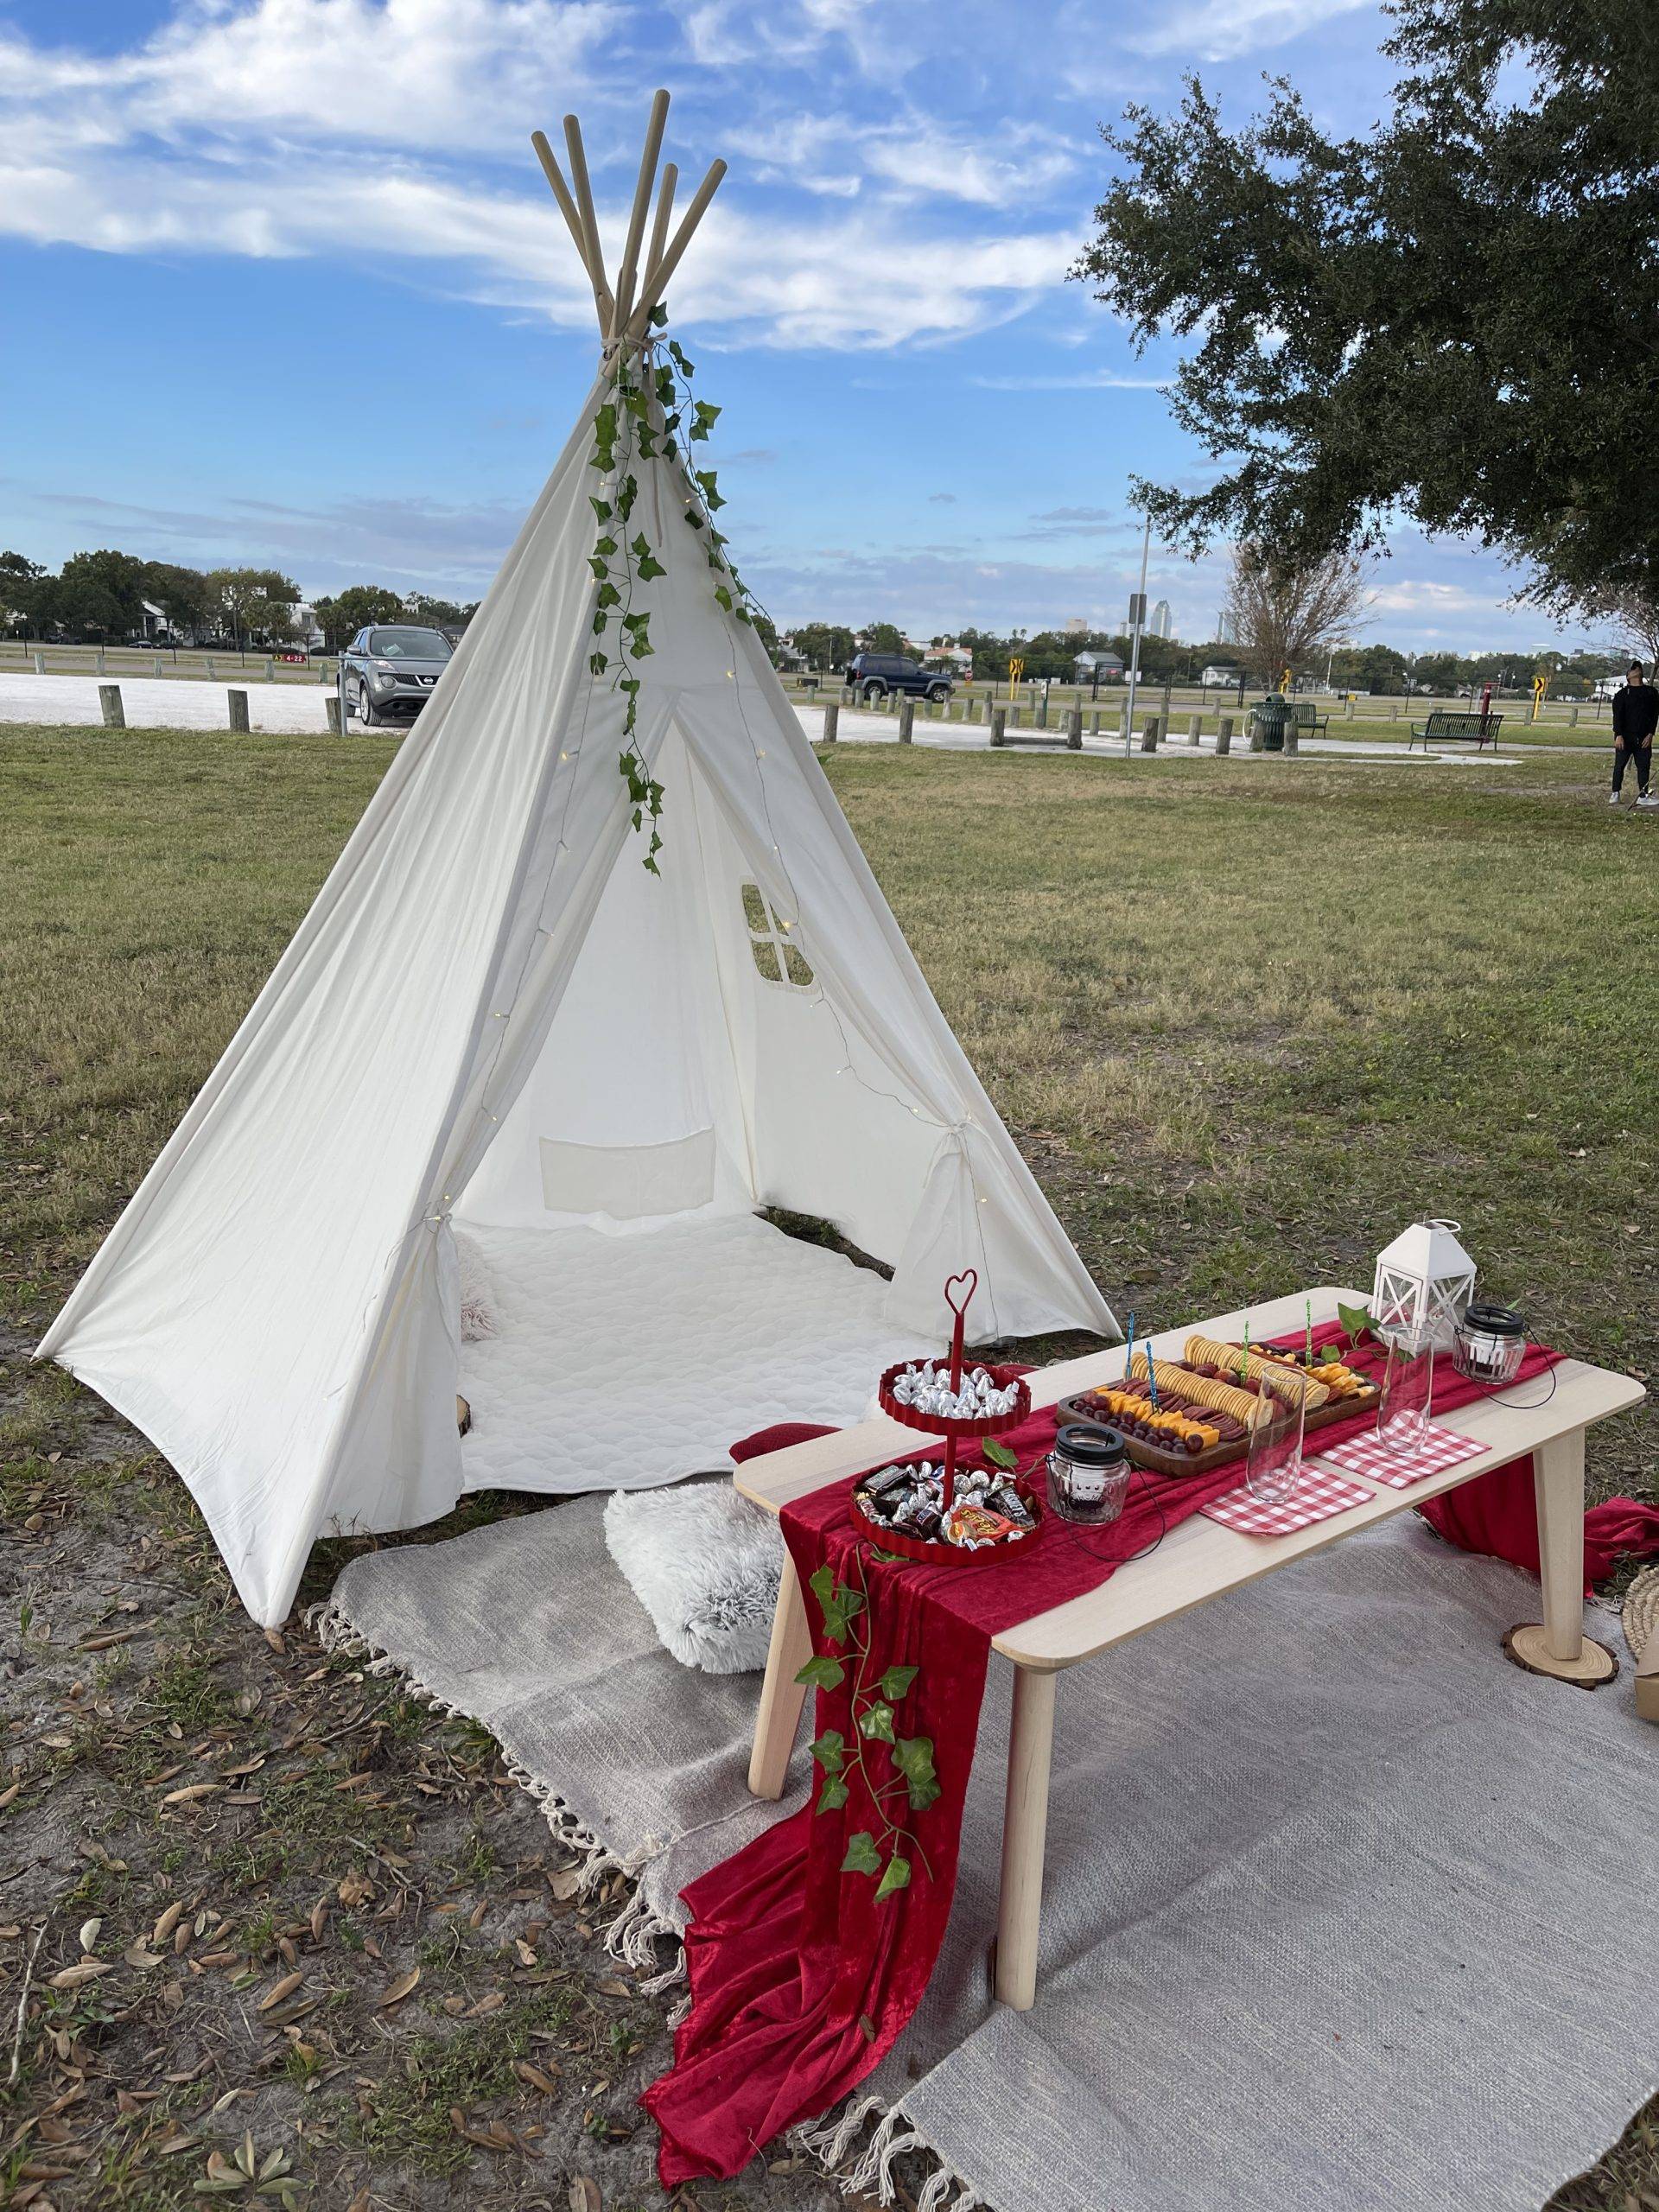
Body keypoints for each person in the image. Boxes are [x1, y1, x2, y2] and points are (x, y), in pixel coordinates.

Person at [1611, 659, 1657, 807]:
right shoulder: (1622, 695)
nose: (1637, 669)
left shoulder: (1651, 693)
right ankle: (1615, 792)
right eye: (1633, 668)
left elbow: (1654, 715)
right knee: (1620, 765)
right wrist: (1618, 735)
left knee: (1644, 766)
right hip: (1625, 737)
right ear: (1628, 676)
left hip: (1644, 737)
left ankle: (1643, 795)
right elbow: (1617, 716)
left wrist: (1651, 734)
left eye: (1638, 667)